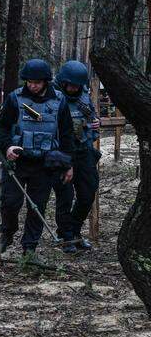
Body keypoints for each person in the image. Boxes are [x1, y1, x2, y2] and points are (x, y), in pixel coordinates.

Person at [0, 59, 75, 257]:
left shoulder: (59, 101)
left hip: (45, 164)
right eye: (29, 82)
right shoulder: (15, 98)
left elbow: (66, 134)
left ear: (45, 81)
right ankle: (7, 234)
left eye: (37, 82)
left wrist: (68, 163)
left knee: (37, 206)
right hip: (17, 161)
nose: (32, 85)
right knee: (10, 202)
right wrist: (7, 146)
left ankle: (29, 247)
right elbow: (1, 127)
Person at [52, 60, 101, 253]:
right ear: (63, 82)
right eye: (70, 85)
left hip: (84, 151)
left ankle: (75, 231)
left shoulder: (84, 97)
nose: (73, 88)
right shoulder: (54, 98)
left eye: (77, 85)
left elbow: (92, 120)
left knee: (88, 193)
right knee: (65, 196)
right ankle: (66, 236)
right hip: (62, 153)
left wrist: (96, 124)